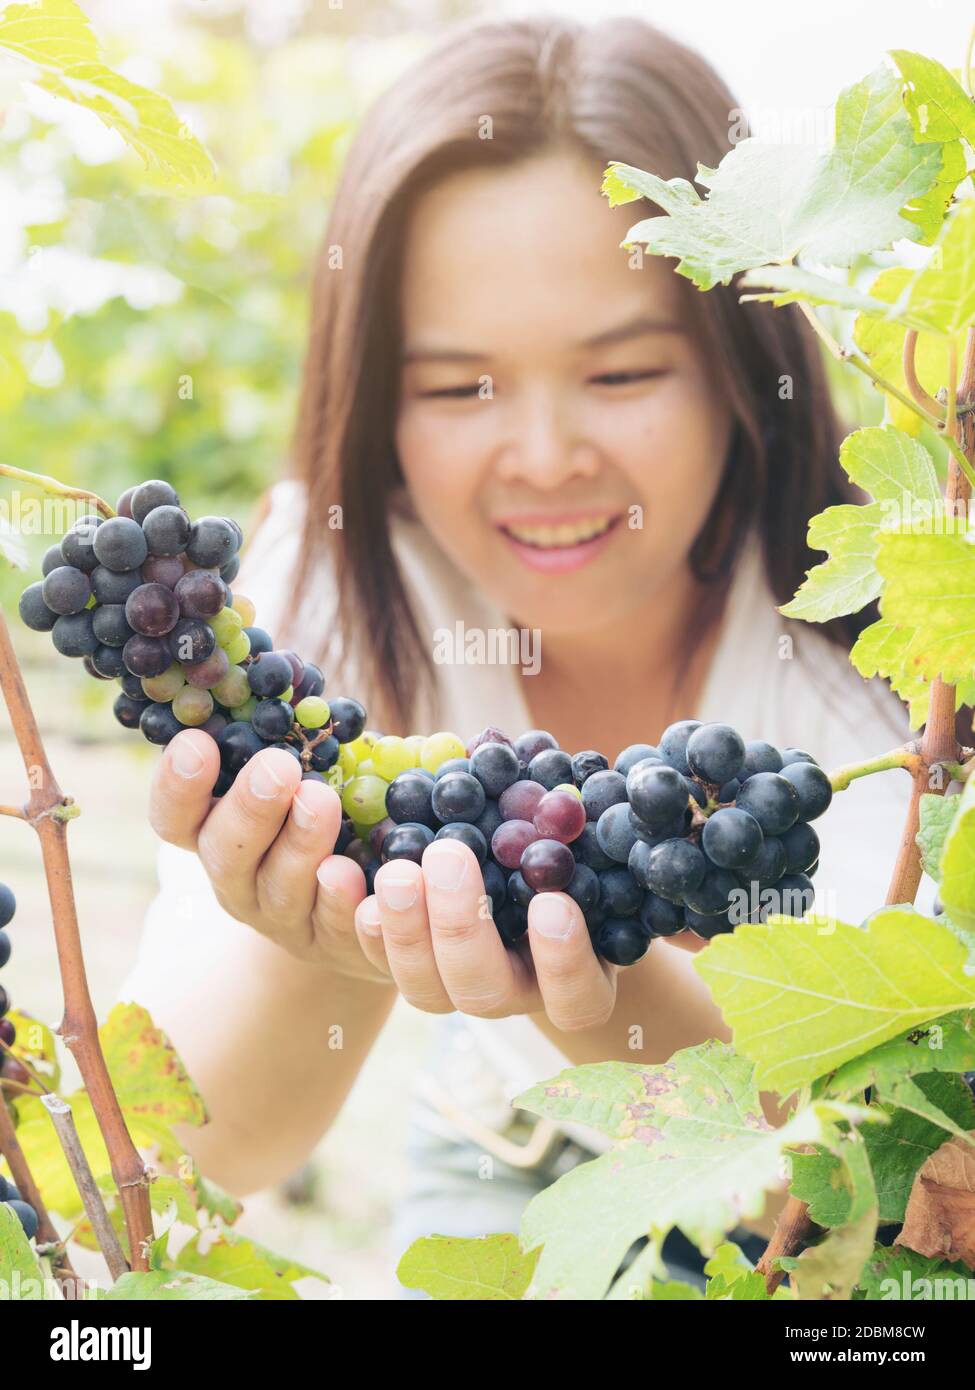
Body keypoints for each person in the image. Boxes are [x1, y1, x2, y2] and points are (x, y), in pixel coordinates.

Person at [121, 15, 922, 1288]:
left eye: (620, 373)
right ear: (374, 401)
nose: (546, 457)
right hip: (497, 1148)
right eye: (457, 389)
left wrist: (594, 988)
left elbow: (884, 1175)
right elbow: (208, 1145)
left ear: (741, 356)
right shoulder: (331, 586)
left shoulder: (904, 646)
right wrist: (304, 945)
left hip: (806, 1221)